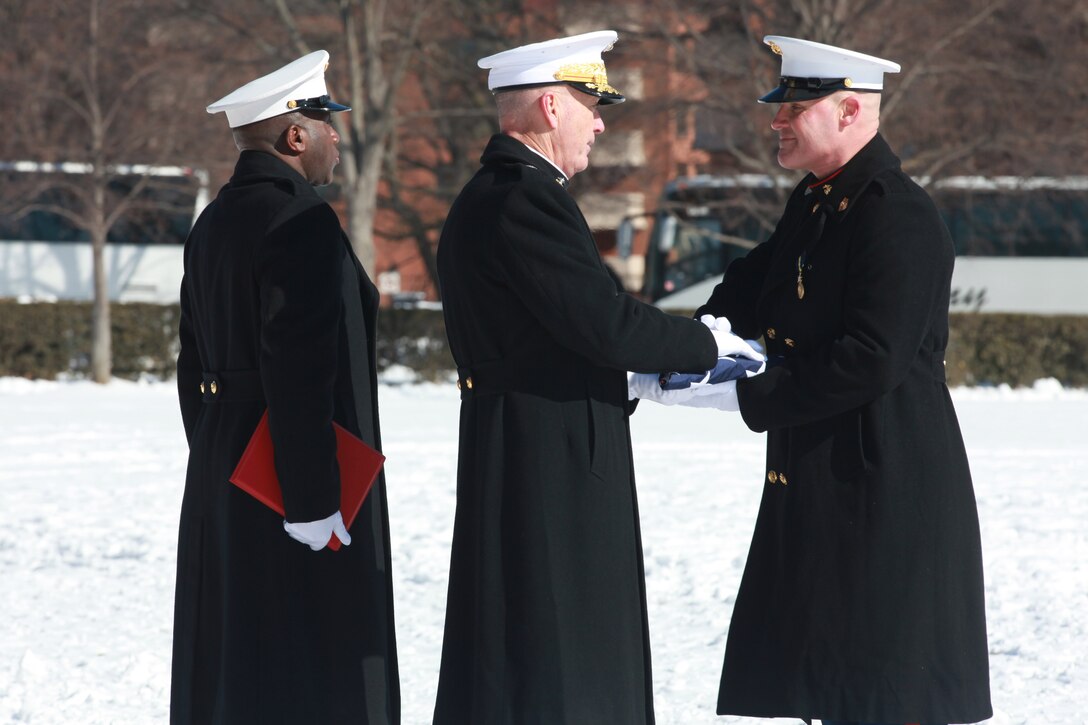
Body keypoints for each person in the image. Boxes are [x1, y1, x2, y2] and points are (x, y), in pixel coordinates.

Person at [432, 30, 757, 725]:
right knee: (558, 649)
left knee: (535, 641)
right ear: (551, 107)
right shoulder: (524, 198)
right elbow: (604, 322)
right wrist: (711, 344)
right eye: (591, 103)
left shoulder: (502, 192)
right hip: (544, 452)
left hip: (530, 439)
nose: (602, 121)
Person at [696, 36, 993, 725]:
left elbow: (872, 355)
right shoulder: (818, 200)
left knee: (877, 692)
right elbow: (752, 286)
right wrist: (680, 346)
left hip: (882, 487)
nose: (777, 120)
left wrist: (748, 393)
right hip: (828, 480)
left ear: (850, 110)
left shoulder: (896, 212)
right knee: (828, 685)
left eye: (794, 107)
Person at [172, 51, 399, 724]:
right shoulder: (299, 220)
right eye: (327, 122)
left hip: (228, 464)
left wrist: (220, 457)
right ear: (296, 135)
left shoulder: (212, 221)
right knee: (307, 663)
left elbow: (193, 366)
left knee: (238, 657)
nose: (337, 137)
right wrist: (311, 497)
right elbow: (298, 369)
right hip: (291, 478)